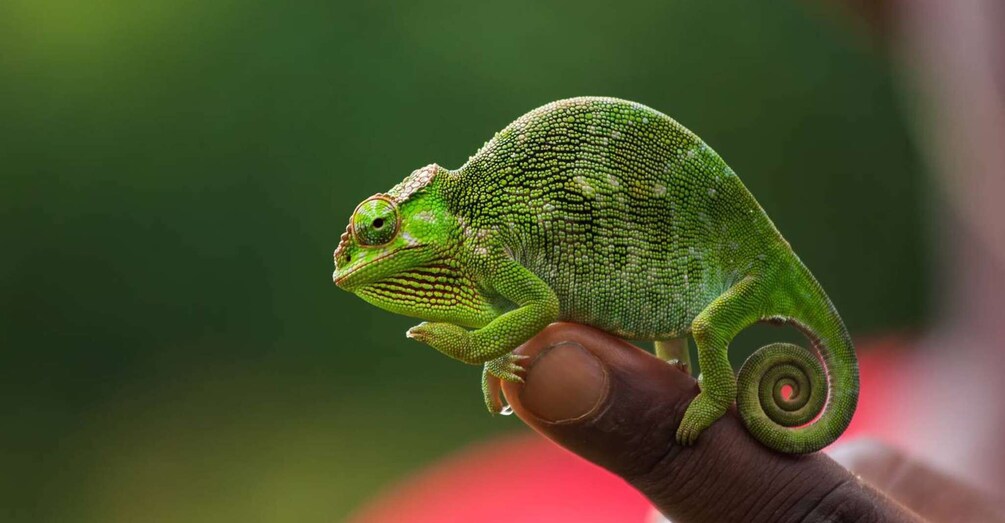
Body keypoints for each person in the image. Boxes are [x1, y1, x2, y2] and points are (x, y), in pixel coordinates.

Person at [352, 1, 1005, 520]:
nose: (376, 249)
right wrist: (494, 345)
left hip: (685, 258)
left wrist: (476, 345)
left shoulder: (483, 236)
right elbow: (531, 312)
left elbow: (540, 308)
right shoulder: (462, 507)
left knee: (699, 323)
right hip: (657, 265)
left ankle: (711, 382)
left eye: (382, 228)